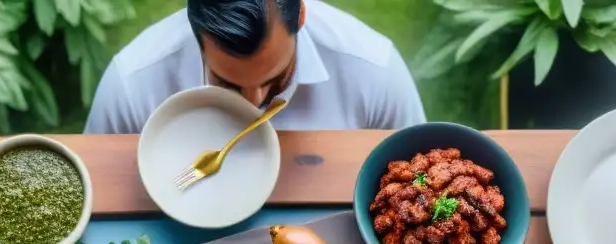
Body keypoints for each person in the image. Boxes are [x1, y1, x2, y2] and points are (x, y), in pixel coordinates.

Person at [84, 0, 425, 134]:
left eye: (276, 77)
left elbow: (422, 171)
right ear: (196, 35)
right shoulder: (131, 84)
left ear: (301, 17)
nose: (253, 103)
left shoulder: (375, 70)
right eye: (227, 83)